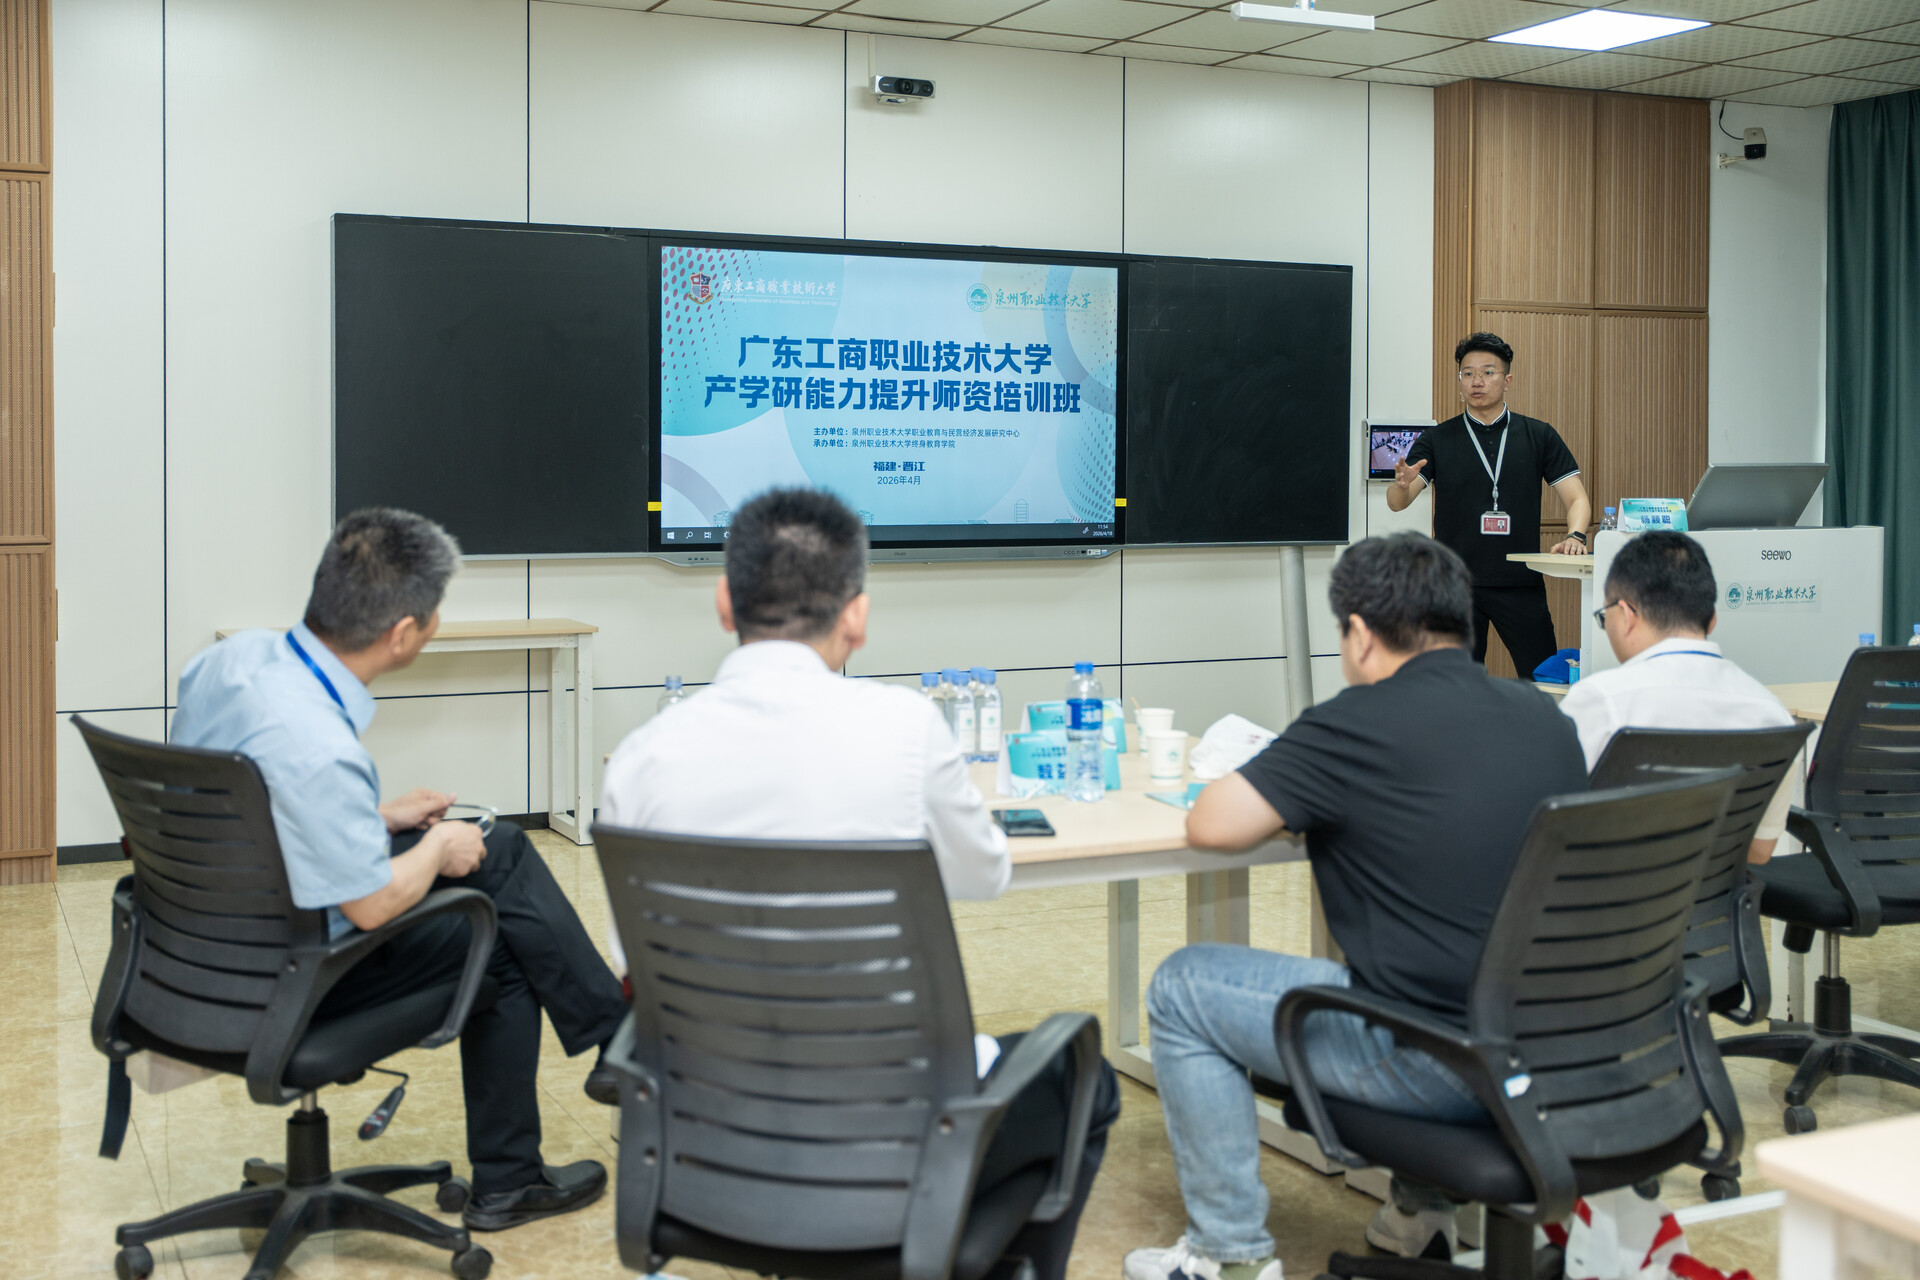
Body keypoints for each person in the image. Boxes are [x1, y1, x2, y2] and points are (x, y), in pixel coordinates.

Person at [600, 486, 1119, 1280]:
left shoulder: (642, 756)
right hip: (900, 1146)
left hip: (709, 1140)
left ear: (723, 602)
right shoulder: (905, 731)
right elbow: (985, 874)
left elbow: (626, 957)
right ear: (857, 617)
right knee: (1087, 1080)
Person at [1122, 533, 1588, 1280]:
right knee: (1417, 950)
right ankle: (1421, 1216)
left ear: (1362, 636)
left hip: (1438, 1060)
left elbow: (1212, 824)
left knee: (1184, 986)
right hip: (1567, 1047)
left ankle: (1227, 1254)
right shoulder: (1546, 718)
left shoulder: (1356, 722)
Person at [170, 508, 630, 1232]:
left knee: (504, 848)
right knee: (502, 938)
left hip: (204, 943)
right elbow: (372, 908)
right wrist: (437, 849)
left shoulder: (230, 662)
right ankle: (513, 1176)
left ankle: (616, 1036)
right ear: (404, 633)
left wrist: (377, 818)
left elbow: (259, 799)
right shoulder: (321, 745)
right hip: (290, 972)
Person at [1560, 530, 1799, 862]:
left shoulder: (1598, 702)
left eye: (1605, 617)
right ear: (1711, 621)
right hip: (1713, 894)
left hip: (1609, 890)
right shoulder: (1771, 714)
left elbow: (1548, 830)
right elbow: (1759, 852)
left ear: (1626, 615)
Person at [1388, 332, 1593, 680]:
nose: (1476, 382)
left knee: (1543, 678)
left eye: (1487, 372)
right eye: (1467, 374)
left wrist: (1576, 535)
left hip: (1520, 582)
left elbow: (1577, 498)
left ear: (1507, 380)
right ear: (1460, 381)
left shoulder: (1538, 435)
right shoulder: (1437, 439)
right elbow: (1398, 503)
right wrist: (1400, 486)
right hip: (1454, 586)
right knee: (1456, 685)